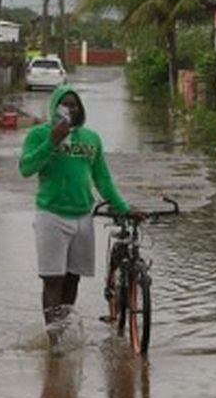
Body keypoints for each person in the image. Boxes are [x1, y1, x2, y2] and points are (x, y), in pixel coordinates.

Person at [19, 84, 140, 345]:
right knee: (53, 280)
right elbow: (26, 168)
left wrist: (123, 207)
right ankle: (54, 343)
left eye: (74, 105)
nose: (69, 109)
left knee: (73, 279)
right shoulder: (39, 135)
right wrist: (53, 140)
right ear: (54, 107)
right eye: (64, 104)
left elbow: (102, 178)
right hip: (51, 216)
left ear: (80, 109)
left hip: (83, 217)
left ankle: (63, 330)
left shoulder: (91, 138)